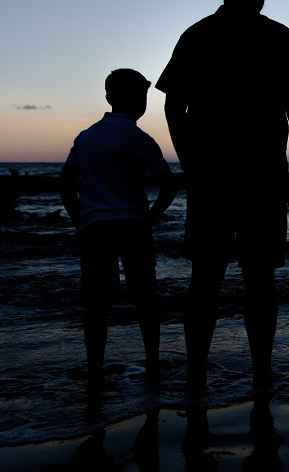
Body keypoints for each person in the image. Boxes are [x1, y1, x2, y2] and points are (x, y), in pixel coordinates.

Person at [156, 0, 289, 396]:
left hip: (238, 176)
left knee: (223, 278)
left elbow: (171, 106)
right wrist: (190, 161)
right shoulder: (248, 36)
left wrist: (189, 161)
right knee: (234, 279)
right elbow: (172, 104)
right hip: (240, 175)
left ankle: (216, 374)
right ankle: (243, 373)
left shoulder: (209, 35)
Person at [60, 68, 178, 386]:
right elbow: (168, 184)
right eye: (141, 96)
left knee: (97, 304)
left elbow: (65, 182)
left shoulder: (86, 137)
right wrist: (151, 217)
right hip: (131, 226)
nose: (142, 102)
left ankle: (95, 371)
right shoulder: (138, 139)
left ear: (110, 98)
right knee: (145, 300)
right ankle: (152, 365)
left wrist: (80, 219)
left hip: (96, 228)